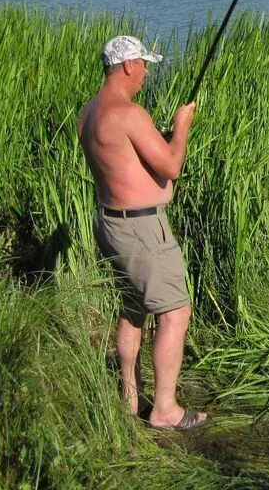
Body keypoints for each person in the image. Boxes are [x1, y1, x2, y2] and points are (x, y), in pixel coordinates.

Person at [77, 34, 205, 431]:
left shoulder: (90, 112)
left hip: (110, 223)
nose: (147, 72)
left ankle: (129, 397)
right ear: (128, 65)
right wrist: (182, 127)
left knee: (133, 308)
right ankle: (165, 409)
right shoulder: (130, 114)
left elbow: (125, 162)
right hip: (142, 229)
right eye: (144, 64)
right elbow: (169, 166)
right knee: (175, 311)